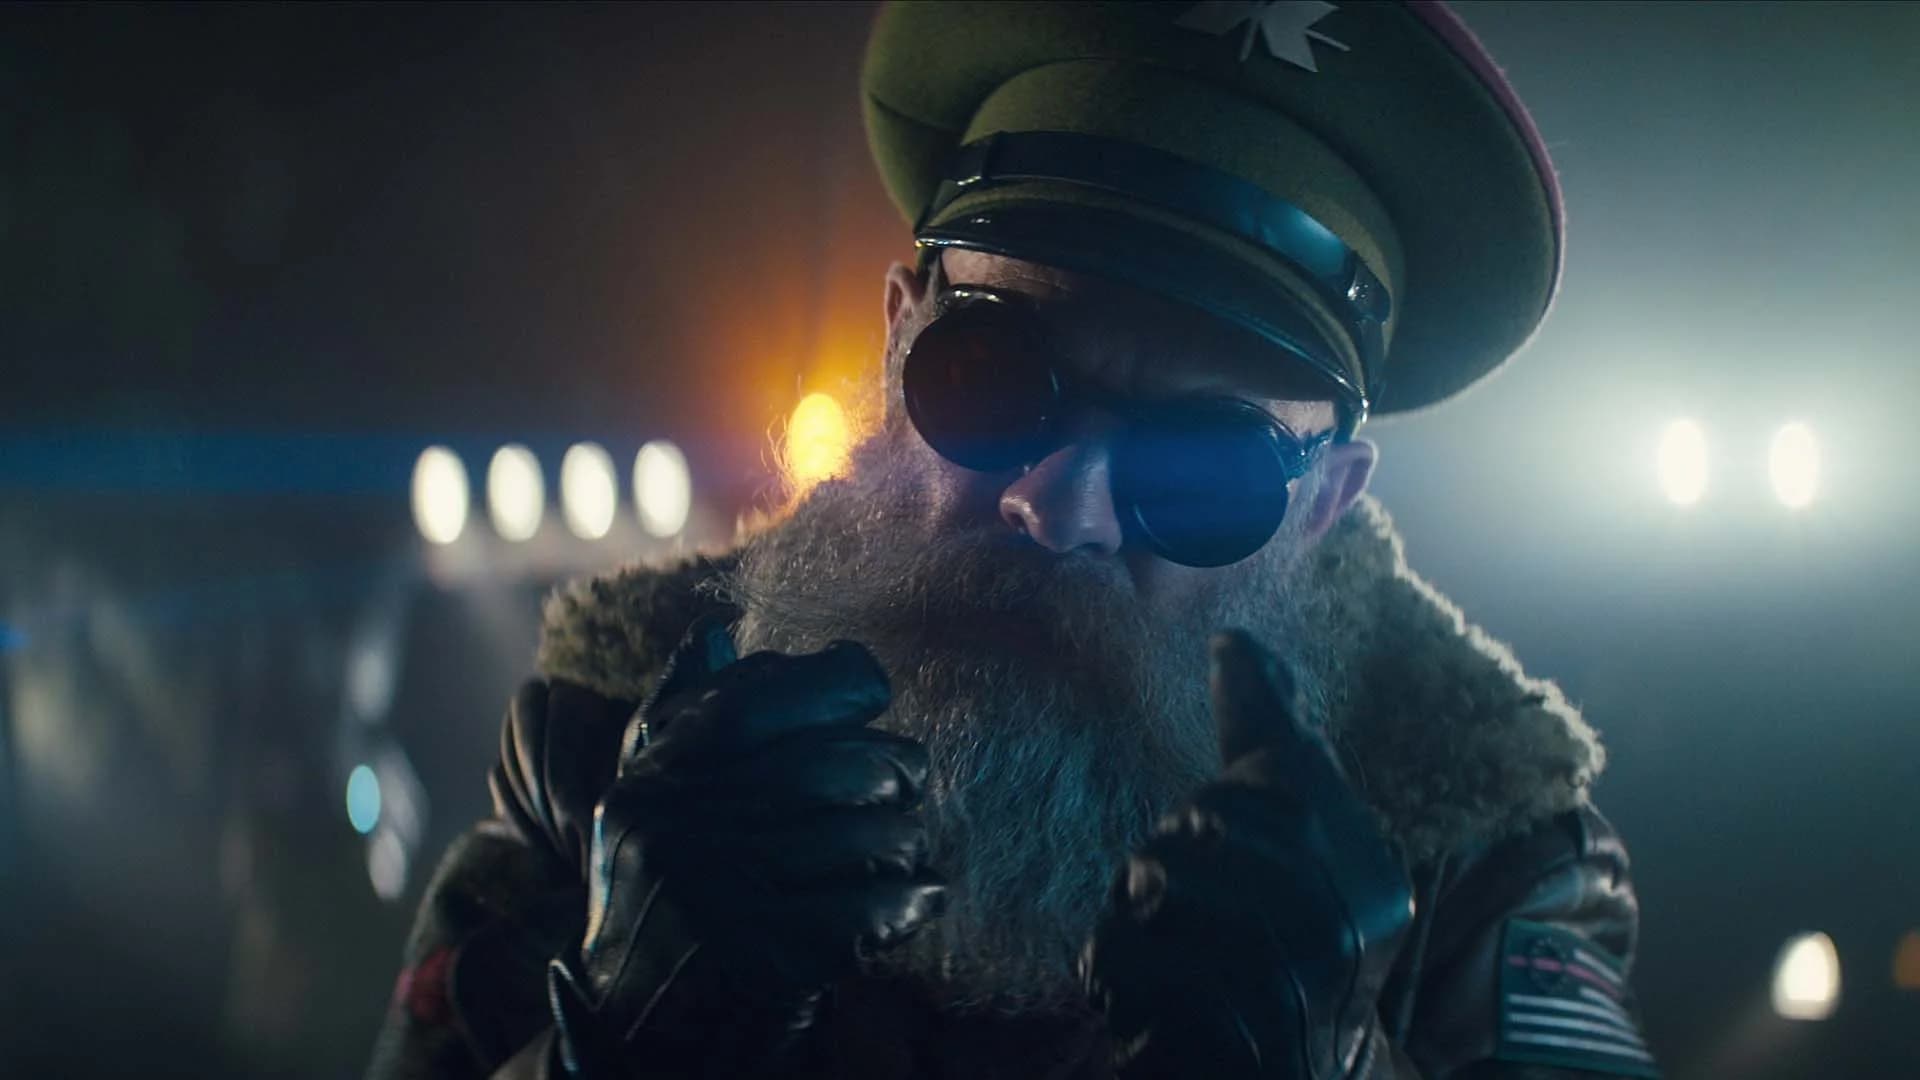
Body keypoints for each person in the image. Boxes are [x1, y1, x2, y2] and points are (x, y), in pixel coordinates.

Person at [367, 3, 1658, 1077]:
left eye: (1205, 467)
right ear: (897, 340)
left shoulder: (1483, 856)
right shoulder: (608, 733)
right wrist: (621, 1039)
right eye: (991, 381)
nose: (1058, 506)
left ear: (1325, 503)